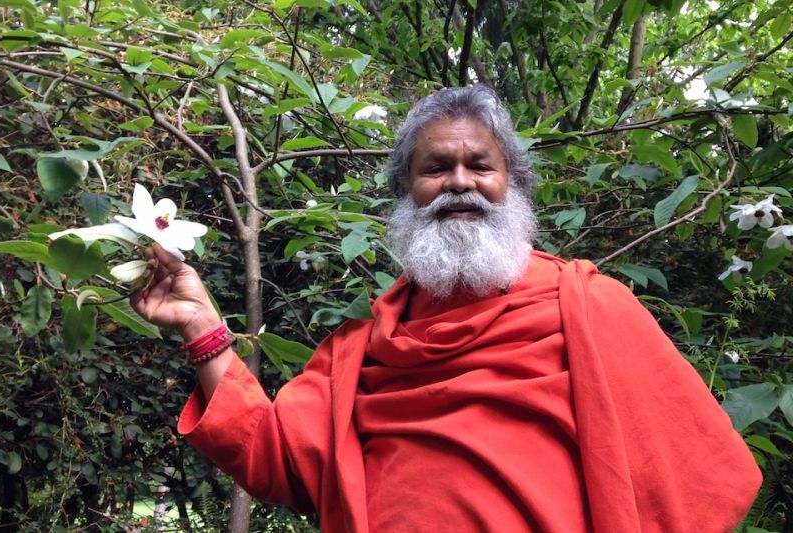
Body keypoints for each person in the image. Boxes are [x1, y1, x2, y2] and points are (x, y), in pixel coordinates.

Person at [131, 85, 761, 532]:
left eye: (479, 165)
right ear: (406, 189)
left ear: (511, 184)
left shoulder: (590, 307)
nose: (460, 182)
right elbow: (275, 457)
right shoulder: (359, 345)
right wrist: (202, 327)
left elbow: (706, 477)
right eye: (436, 168)